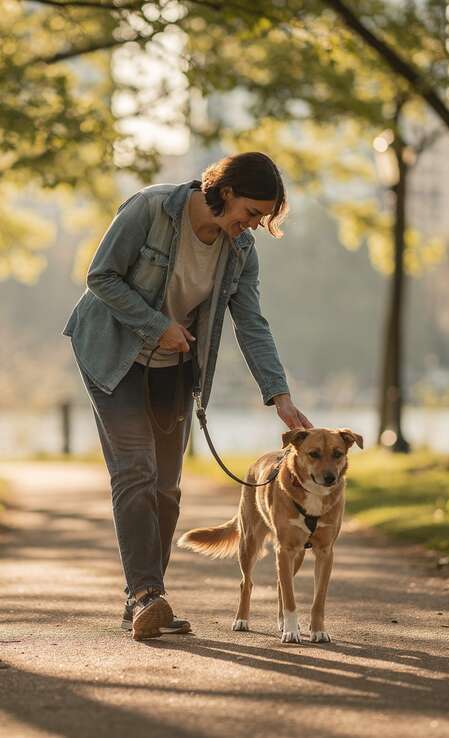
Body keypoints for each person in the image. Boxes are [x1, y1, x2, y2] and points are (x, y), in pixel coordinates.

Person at [62, 151, 313, 640]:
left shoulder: (239, 250)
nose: (254, 224)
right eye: (252, 212)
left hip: (175, 366)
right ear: (225, 193)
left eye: (263, 217)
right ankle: (146, 598)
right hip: (113, 356)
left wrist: (279, 397)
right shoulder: (150, 209)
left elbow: (251, 323)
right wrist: (157, 325)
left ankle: (142, 596)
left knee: (166, 488)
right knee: (135, 471)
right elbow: (101, 277)